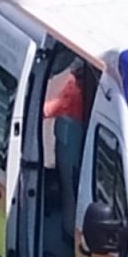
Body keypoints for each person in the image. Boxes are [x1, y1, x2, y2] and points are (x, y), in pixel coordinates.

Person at [44, 57, 89, 242]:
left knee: (69, 191)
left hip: (70, 151)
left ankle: (68, 232)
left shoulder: (74, 89)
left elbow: (50, 110)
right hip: (73, 148)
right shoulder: (83, 88)